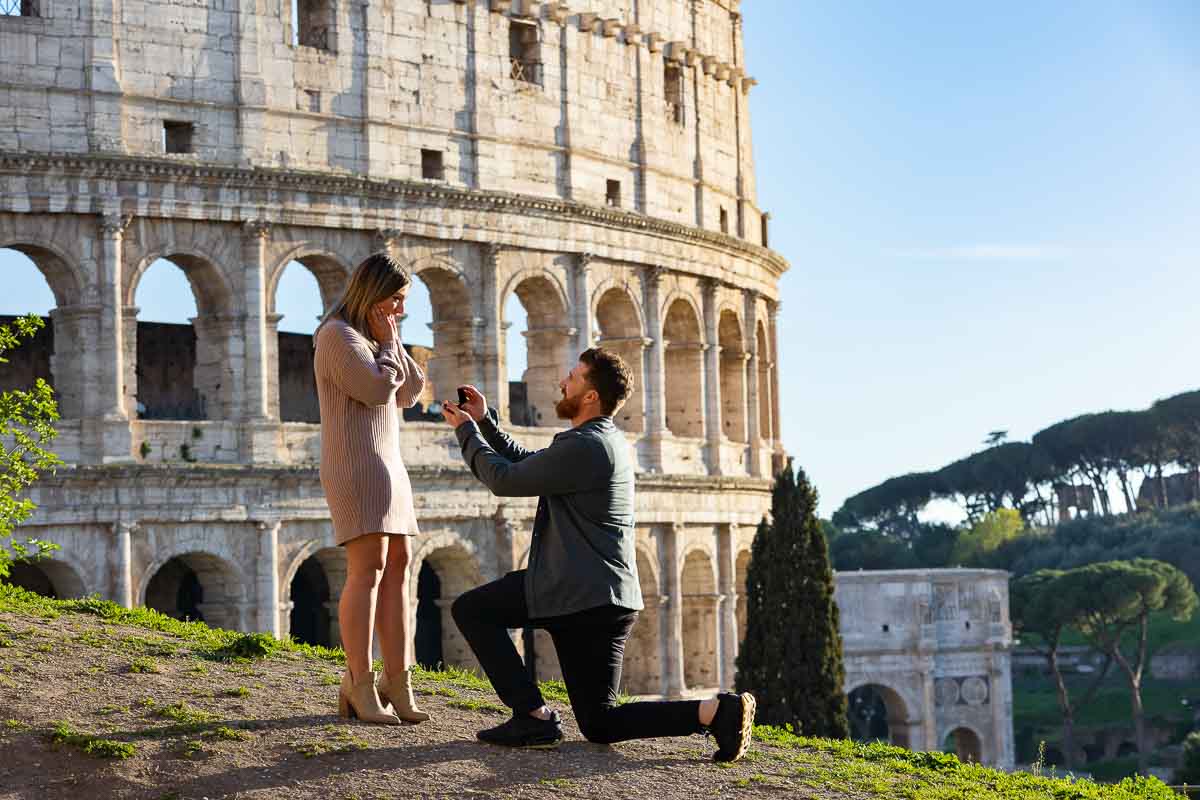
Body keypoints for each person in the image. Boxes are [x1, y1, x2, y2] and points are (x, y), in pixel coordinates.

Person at [440, 347, 755, 762]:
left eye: (572, 377)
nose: (562, 383)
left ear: (590, 396)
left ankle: (533, 715)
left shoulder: (586, 447)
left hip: (573, 591)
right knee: (600, 723)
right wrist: (485, 422)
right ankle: (717, 712)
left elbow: (503, 478)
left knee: (473, 610)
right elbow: (528, 463)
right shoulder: (601, 441)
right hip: (601, 598)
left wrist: (465, 432)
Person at [314, 253, 431, 725]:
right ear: (372, 292)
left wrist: (394, 341)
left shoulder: (373, 336)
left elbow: (409, 393)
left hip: (387, 462)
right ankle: (359, 682)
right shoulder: (337, 336)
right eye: (396, 300)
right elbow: (378, 391)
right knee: (368, 568)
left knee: (399, 566)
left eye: (404, 302)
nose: (399, 309)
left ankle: (397, 680)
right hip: (356, 464)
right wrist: (386, 345)